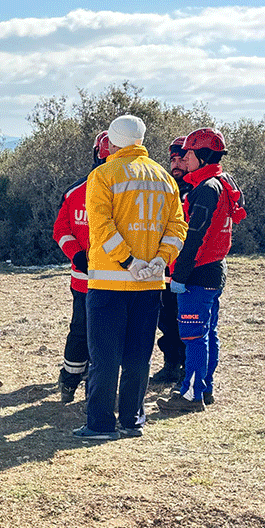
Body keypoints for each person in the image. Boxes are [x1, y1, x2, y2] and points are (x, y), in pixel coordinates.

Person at [74, 115, 187, 440]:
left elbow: (101, 226)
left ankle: (100, 425)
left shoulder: (103, 175)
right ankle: (132, 421)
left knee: (105, 358)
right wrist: (159, 261)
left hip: (109, 282)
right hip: (150, 283)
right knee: (139, 356)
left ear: (110, 142)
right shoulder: (165, 179)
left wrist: (128, 261)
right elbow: (178, 227)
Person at [157, 128, 247, 412]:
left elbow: (194, 237)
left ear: (202, 156)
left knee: (194, 337)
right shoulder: (222, 182)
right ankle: (204, 388)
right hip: (214, 269)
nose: (185, 159)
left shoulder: (206, 189)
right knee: (207, 334)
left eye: (190, 154)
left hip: (198, 272)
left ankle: (191, 396)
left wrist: (179, 275)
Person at [50, 131, 113, 403]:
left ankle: (97, 384)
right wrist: (76, 255)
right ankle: (70, 379)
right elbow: (61, 229)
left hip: (119, 282)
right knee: (81, 330)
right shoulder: (76, 192)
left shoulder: (131, 191)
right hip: (85, 281)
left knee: (108, 336)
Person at [150, 136, 190, 385]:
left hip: (187, 269)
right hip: (165, 267)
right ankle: (171, 364)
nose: (176, 164)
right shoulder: (166, 188)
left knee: (187, 320)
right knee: (166, 319)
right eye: (172, 159)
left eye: (181, 159)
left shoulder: (198, 191)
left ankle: (188, 366)